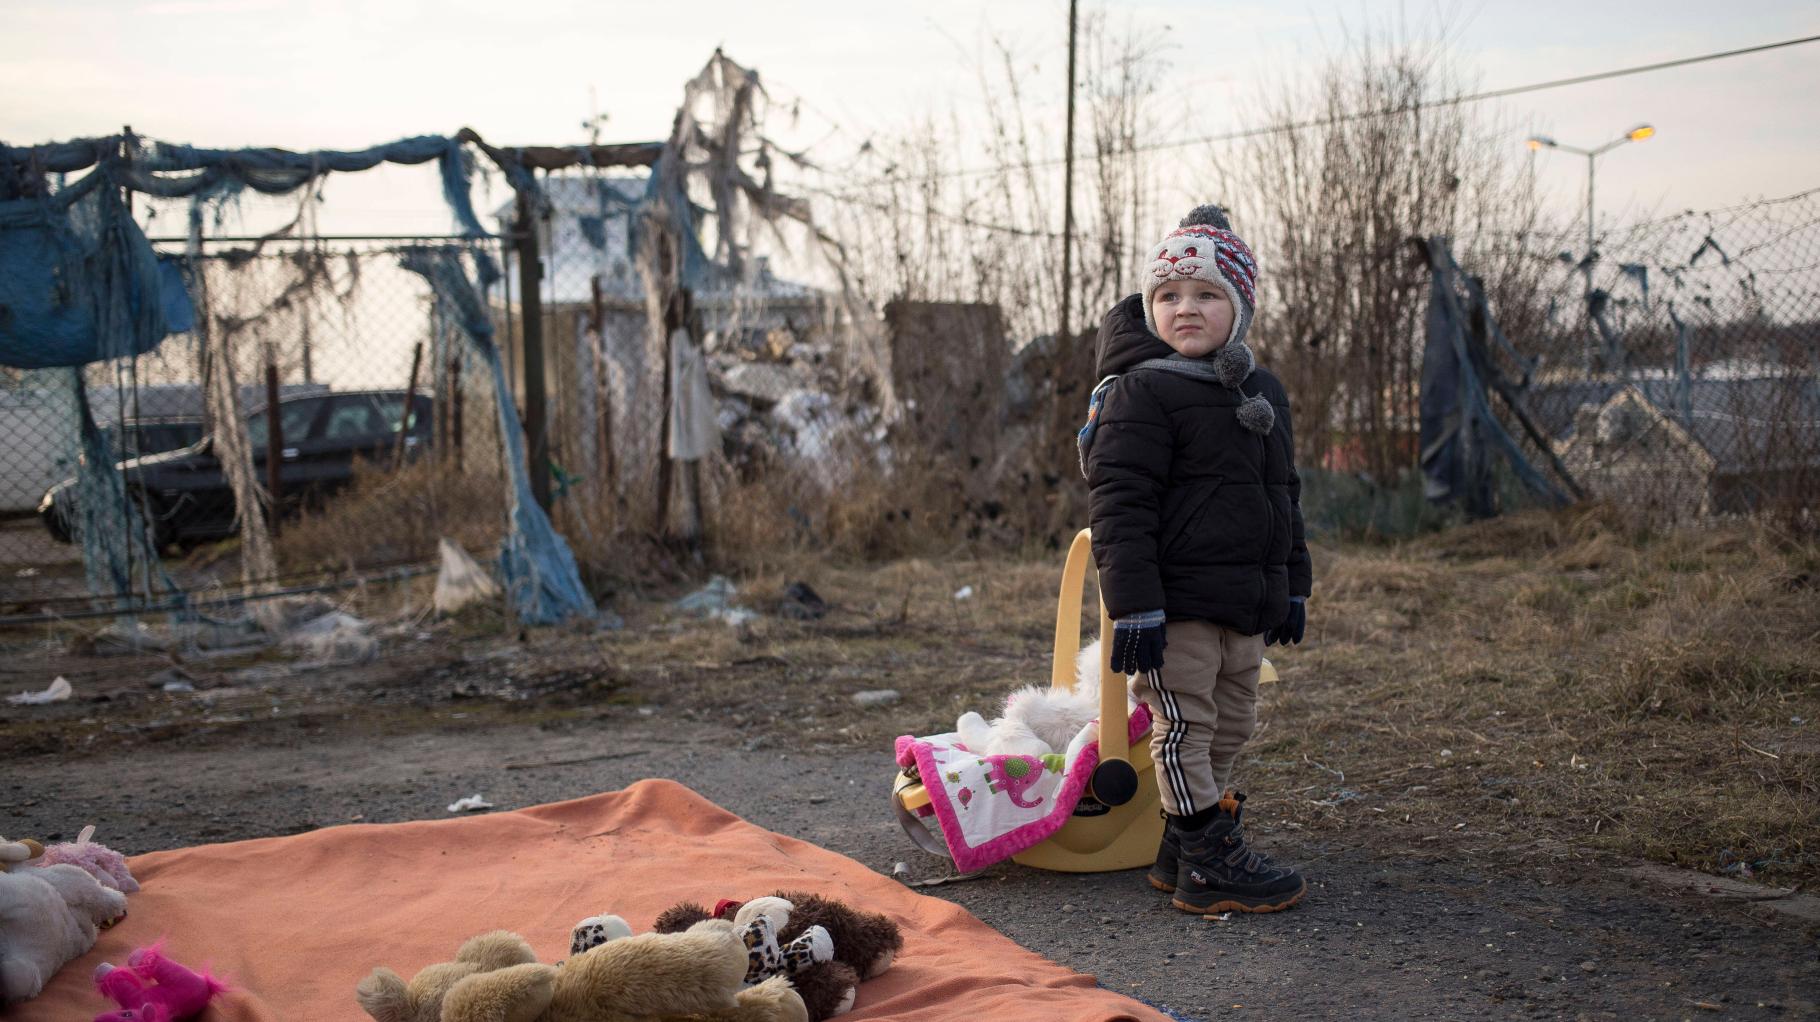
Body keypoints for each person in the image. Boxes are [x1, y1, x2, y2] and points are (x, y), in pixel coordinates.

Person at [1077, 204, 1311, 915]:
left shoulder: (1260, 392)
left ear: (1237, 309)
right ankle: (1207, 856)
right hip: (1172, 604)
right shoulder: (1142, 392)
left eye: (1208, 295)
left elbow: (1283, 496)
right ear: (1151, 308)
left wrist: (1292, 587)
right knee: (1185, 722)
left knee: (1235, 720)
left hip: (1244, 601)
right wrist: (1136, 606)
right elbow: (1120, 503)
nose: (1187, 309)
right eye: (1169, 296)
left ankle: (1179, 844)